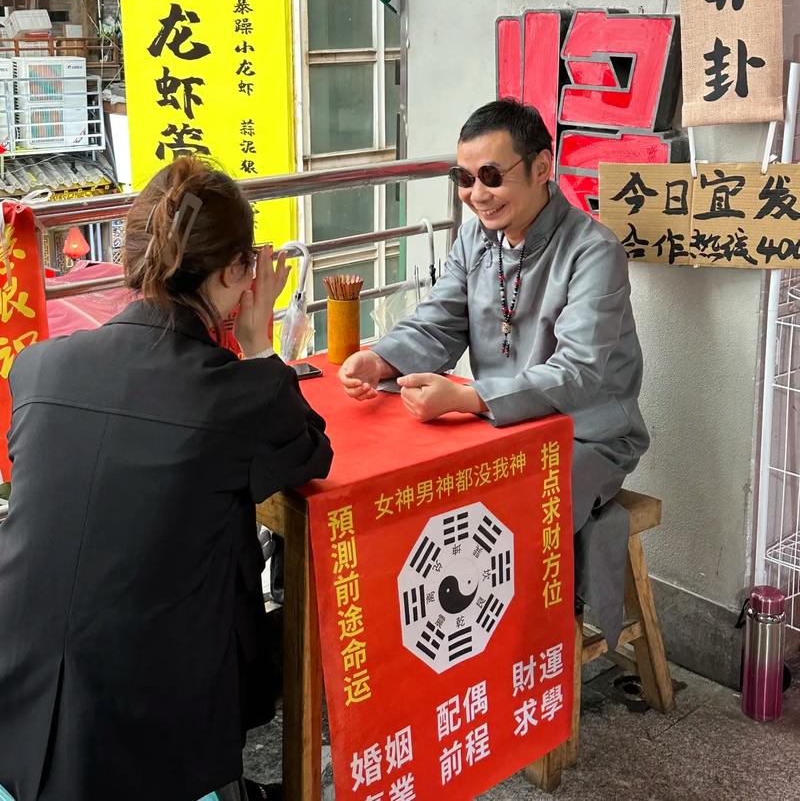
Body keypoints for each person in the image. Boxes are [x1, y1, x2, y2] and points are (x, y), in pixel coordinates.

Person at [0, 157, 332, 801]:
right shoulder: (239, 395)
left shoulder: (38, 369)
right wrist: (259, 344)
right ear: (236, 272)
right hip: (151, 730)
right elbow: (310, 453)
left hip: (18, 699)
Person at [339, 99, 649, 645]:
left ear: (541, 167)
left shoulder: (594, 252)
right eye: (464, 179)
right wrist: (381, 359)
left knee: (498, 519)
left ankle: (522, 651)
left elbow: (578, 373)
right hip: (497, 425)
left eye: (491, 176)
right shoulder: (474, 238)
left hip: (586, 434)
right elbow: (440, 321)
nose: (476, 194)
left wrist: (469, 400)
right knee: (421, 497)